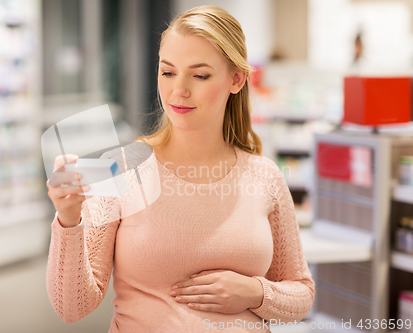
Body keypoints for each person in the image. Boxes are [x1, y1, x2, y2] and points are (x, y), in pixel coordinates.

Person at [45, 5, 315, 333]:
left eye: (199, 75)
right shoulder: (121, 169)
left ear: (236, 79)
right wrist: (69, 220)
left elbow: (302, 293)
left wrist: (255, 293)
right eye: (168, 72)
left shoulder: (265, 176)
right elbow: (71, 307)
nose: (179, 90)